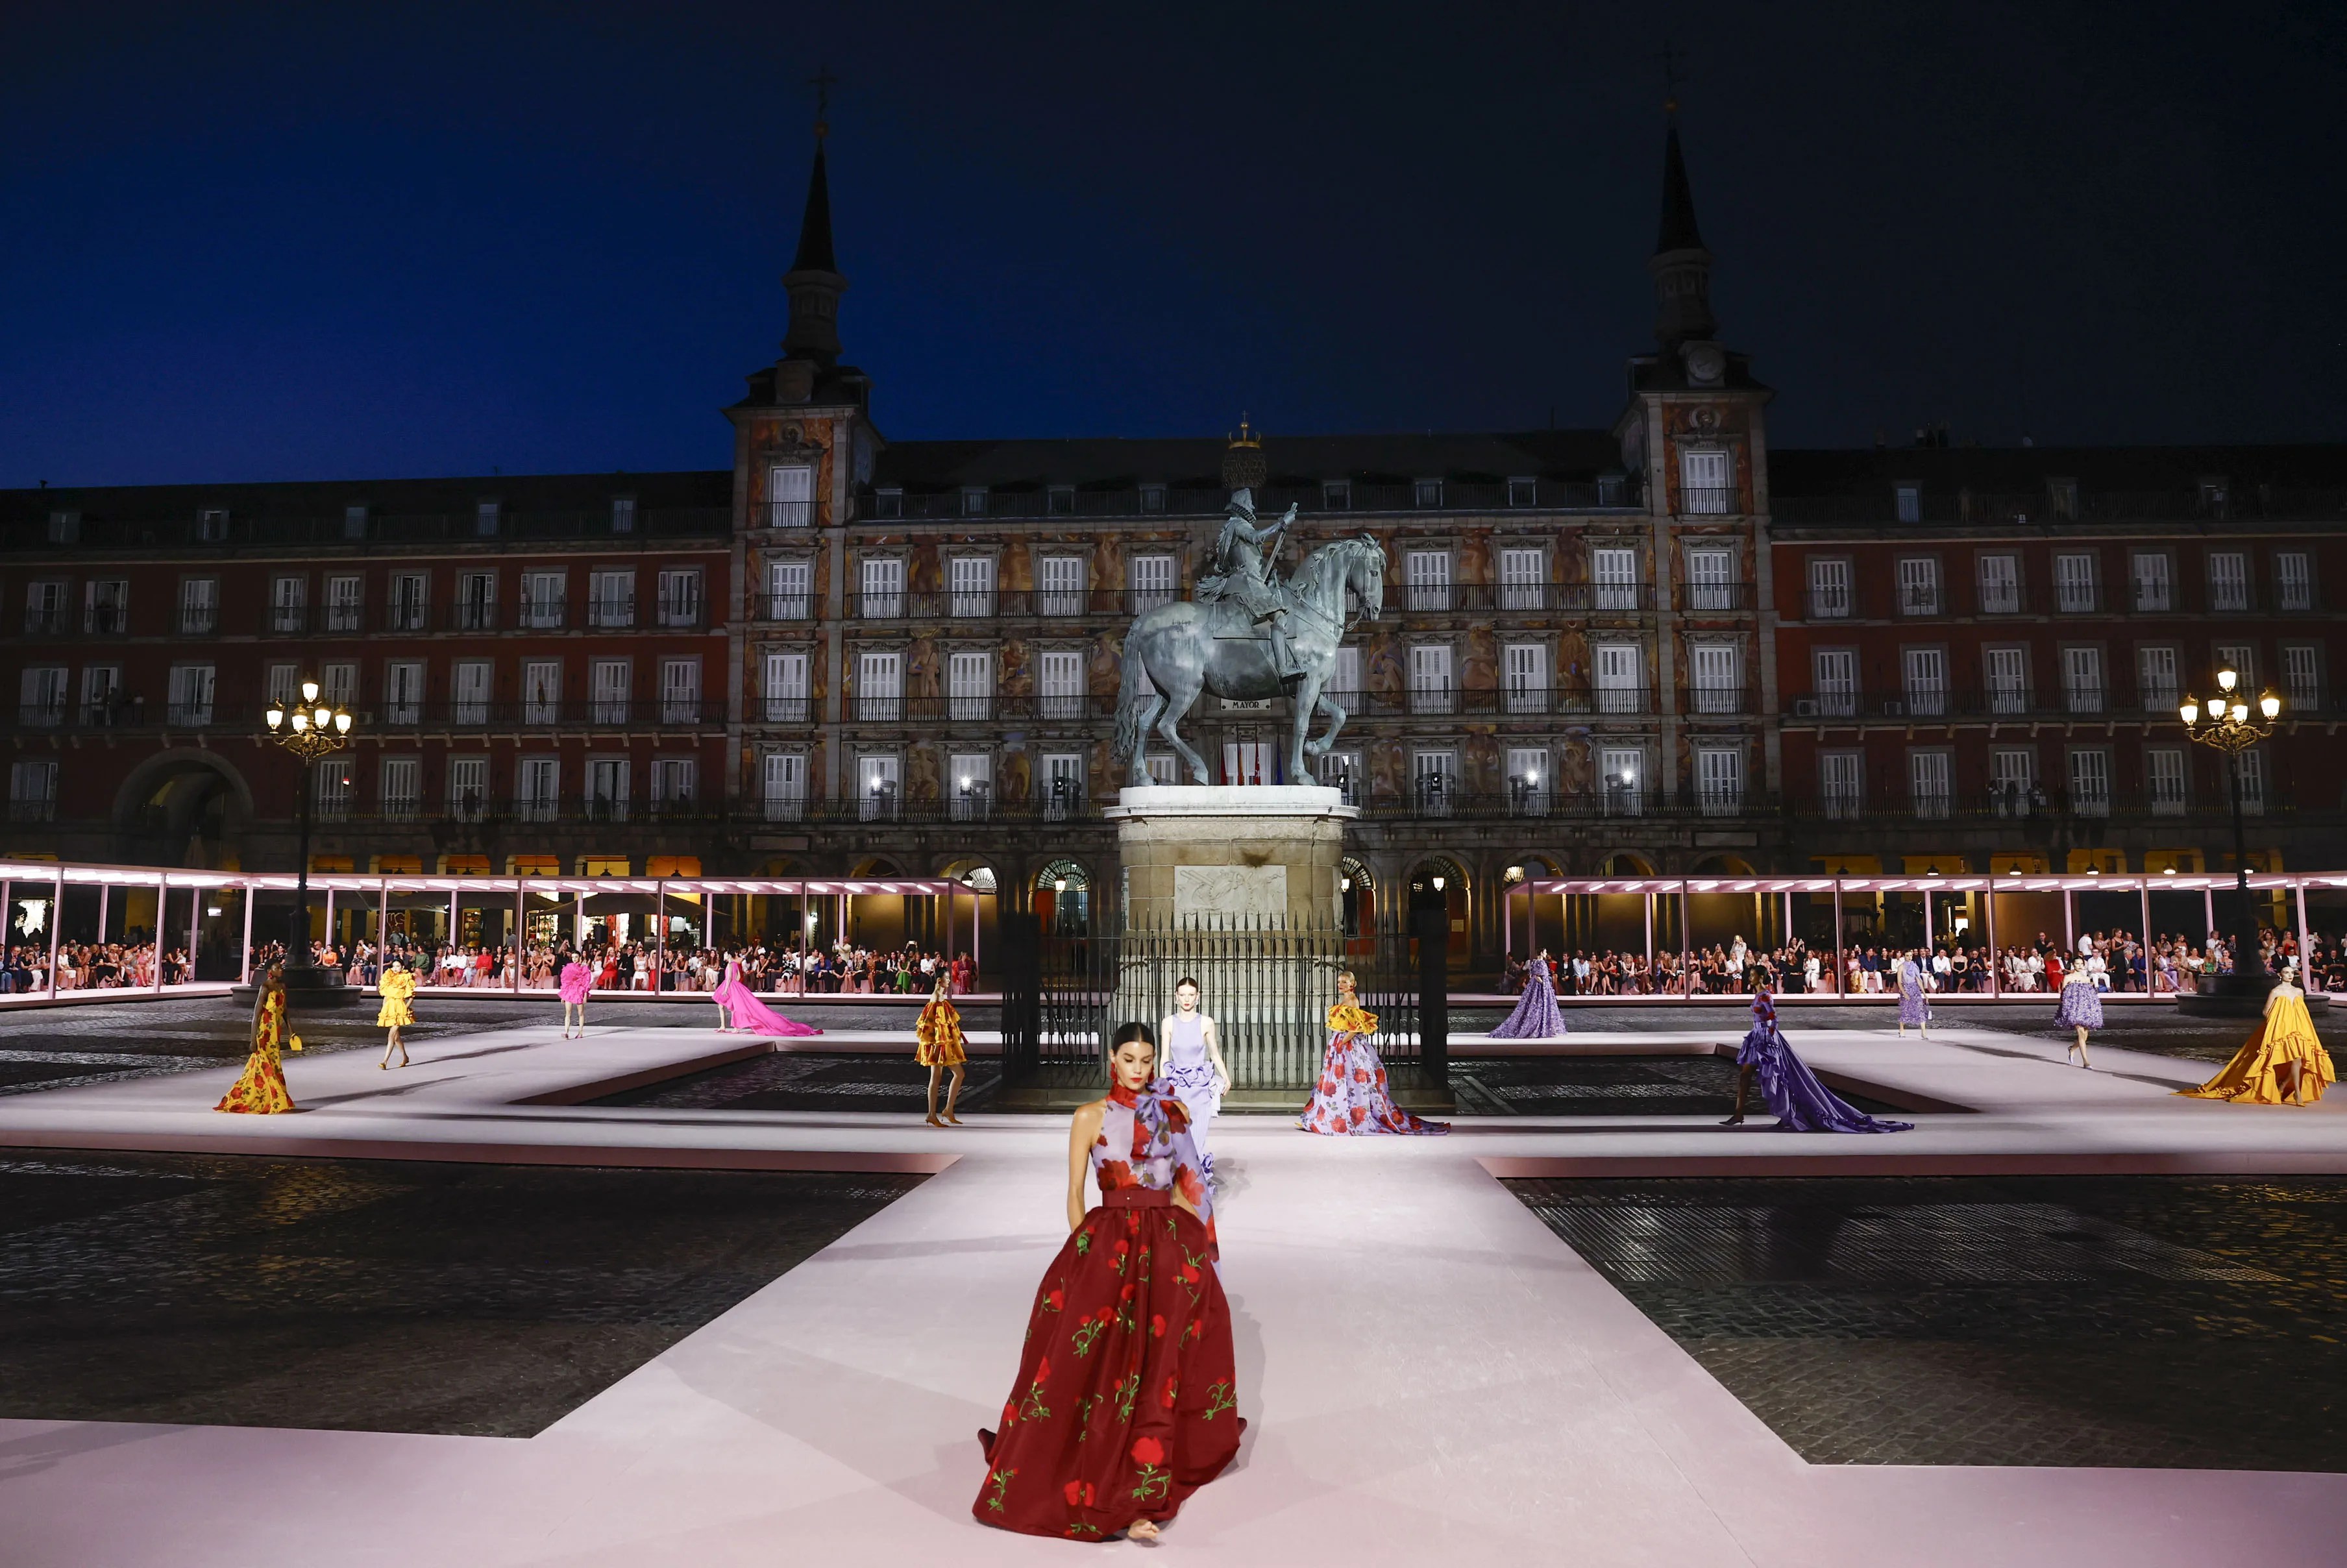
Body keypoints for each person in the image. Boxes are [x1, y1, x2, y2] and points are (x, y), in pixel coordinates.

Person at [972, 1023, 1241, 1542]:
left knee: (1158, 1363)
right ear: (1112, 1059)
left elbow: (1187, 1190)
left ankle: (1140, 1493)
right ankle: (1102, 1475)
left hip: (1166, 1246)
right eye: (1130, 1059)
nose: (1139, 1069)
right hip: (1109, 1244)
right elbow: (1075, 1192)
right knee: (1102, 1362)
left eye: (1147, 1060)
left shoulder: (1172, 1114)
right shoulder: (1088, 1117)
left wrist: (1201, 1253)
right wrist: (1086, 1254)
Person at [1723, 990, 1911, 1133]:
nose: (1751, 977)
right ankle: (1740, 1113)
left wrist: (1770, 1035)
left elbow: (1774, 1017)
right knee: (1747, 1076)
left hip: (1766, 1040)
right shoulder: (1758, 995)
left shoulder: (1765, 995)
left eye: (1754, 974)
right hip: (1756, 1037)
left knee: (1780, 1078)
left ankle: (1787, 1115)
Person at [1297, 970, 1448, 1135]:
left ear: (1353, 984)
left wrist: (1341, 1042)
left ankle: (1347, 1118)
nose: (1340, 985)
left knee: (1349, 1077)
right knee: (1337, 1079)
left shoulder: (1353, 1001)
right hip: (1341, 1042)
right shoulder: (1345, 999)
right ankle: (1330, 1115)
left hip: (1347, 1044)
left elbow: (1356, 1028)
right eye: (1339, 982)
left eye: (1345, 982)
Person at [2179, 961, 2335, 1105]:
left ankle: (2289, 1088)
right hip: (2281, 1029)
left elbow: (2302, 1012)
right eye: (2286, 972)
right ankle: (2293, 1092)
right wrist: (2277, 1021)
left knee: (2299, 1059)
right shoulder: (2276, 991)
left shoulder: (2299, 992)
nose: (2289, 975)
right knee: (2286, 1059)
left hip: (2298, 1029)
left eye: (2291, 973)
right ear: (2280, 975)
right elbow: (2266, 1011)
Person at [1159, 977, 1232, 1174]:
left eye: (1191, 995)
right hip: (1177, 1089)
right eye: (1183, 995)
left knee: (1197, 1141)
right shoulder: (1168, 1023)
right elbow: (1164, 1058)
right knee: (1178, 1139)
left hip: (1200, 1089)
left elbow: (1214, 1054)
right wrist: (1162, 1087)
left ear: (1198, 996)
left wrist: (1226, 1077)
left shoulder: (1206, 1023)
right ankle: (1182, 1181)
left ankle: (1196, 1182)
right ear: (1176, 996)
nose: (1187, 999)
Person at [217, 963, 297, 1114]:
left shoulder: (282, 986)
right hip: (265, 1033)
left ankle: (269, 1097)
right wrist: (253, 1039)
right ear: (269, 971)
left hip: (275, 1033)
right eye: (277, 968)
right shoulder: (265, 987)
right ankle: (270, 1098)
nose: (281, 970)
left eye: (281, 968)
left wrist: (291, 1030)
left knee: (274, 1063)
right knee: (264, 1064)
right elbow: (256, 1015)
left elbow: (284, 1010)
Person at [711, 957, 822, 1037]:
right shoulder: (735, 964)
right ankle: (729, 1027)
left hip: (729, 986)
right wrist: (735, 984)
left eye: (726, 955)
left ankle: (730, 1027)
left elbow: (729, 978)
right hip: (735, 986)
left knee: (731, 1006)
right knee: (729, 1006)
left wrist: (726, 989)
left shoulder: (731, 965)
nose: (725, 956)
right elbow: (739, 976)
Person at [916, 972, 968, 1127]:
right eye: (947, 978)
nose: (949, 980)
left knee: (939, 1076)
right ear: (940, 980)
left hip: (940, 1042)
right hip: (939, 1043)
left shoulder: (939, 998)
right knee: (955, 1074)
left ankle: (940, 1112)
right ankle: (942, 1111)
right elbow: (936, 1023)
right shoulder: (937, 998)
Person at [1488, 946, 1567, 1039]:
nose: (1546, 954)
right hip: (1540, 987)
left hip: (1540, 986)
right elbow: (1536, 976)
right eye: (1545, 952)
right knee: (1539, 1005)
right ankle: (1539, 1028)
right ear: (1541, 953)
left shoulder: (1536, 962)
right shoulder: (1540, 963)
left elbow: (1534, 975)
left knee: (1538, 1005)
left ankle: (1542, 1028)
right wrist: (1544, 984)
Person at [2055, 938, 2104, 1067]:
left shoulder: (2086, 979)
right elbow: (2063, 994)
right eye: (2077, 964)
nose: (2079, 966)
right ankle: (2086, 1061)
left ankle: (2072, 1049)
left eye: (2081, 964)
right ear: (2073, 965)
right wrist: (2065, 1008)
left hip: (2085, 1010)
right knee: (2081, 1033)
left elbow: (2091, 996)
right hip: (2073, 1009)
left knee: (2085, 1034)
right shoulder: (2068, 977)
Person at [377, 957, 416, 1070]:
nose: (395, 968)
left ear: (402, 967)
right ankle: (405, 1057)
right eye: (394, 966)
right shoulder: (388, 977)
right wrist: (384, 1009)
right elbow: (386, 996)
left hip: (400, 1008)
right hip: (389, 1008)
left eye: (398, 966)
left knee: (391, 1035)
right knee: (396, 1037)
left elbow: (411, 997)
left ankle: (384, 1062)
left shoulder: (406, 977)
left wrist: (405, 1008)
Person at [1896, 948, 1930, 1038]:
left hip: (1915, 990)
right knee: (1906, 1011)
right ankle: (1902, 1029)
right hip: (1906, 989)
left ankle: (1924, 1032)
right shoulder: (1901, 967)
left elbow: (1919, 980)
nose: (1909, 957)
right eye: (1907, 956)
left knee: (1920, 1010)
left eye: (1911, 956)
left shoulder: (1915, 966)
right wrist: (1904, 993)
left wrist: (1925, 994)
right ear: (1904, 956)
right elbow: (1899, 982)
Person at [558, 950, 593, 1038]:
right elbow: (564, 981)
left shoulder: (584, 969)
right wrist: (563, 995)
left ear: (580, 958)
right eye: (573, 957)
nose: (574, 959)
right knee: (568, 1012)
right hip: (569, 990)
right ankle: (566, 1032)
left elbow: (586, 982)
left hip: (579, 990)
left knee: (580, 1012)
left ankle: (580, 1032)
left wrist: (585, 995)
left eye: (576, 957)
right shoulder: (568, 968)